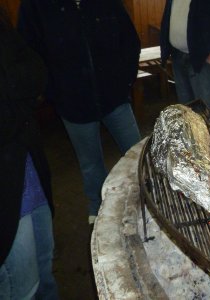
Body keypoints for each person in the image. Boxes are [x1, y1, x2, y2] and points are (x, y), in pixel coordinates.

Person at [18, 0, 142, 224]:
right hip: (73, 102)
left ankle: (147, 196)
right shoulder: (35, 6)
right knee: (90, 162)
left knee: (136, 151)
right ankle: (99, 206)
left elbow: (129, 40)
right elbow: (29, 52)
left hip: (115, 96)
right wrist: (55, 92)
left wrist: (125, 82)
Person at [0, 5, 58, 299]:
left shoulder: (3, 25)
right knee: (23, 288)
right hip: (6, 194)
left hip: (28, 170)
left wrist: (12, 93)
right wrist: (18, 95)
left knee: (45, 266)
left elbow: (38, 70)